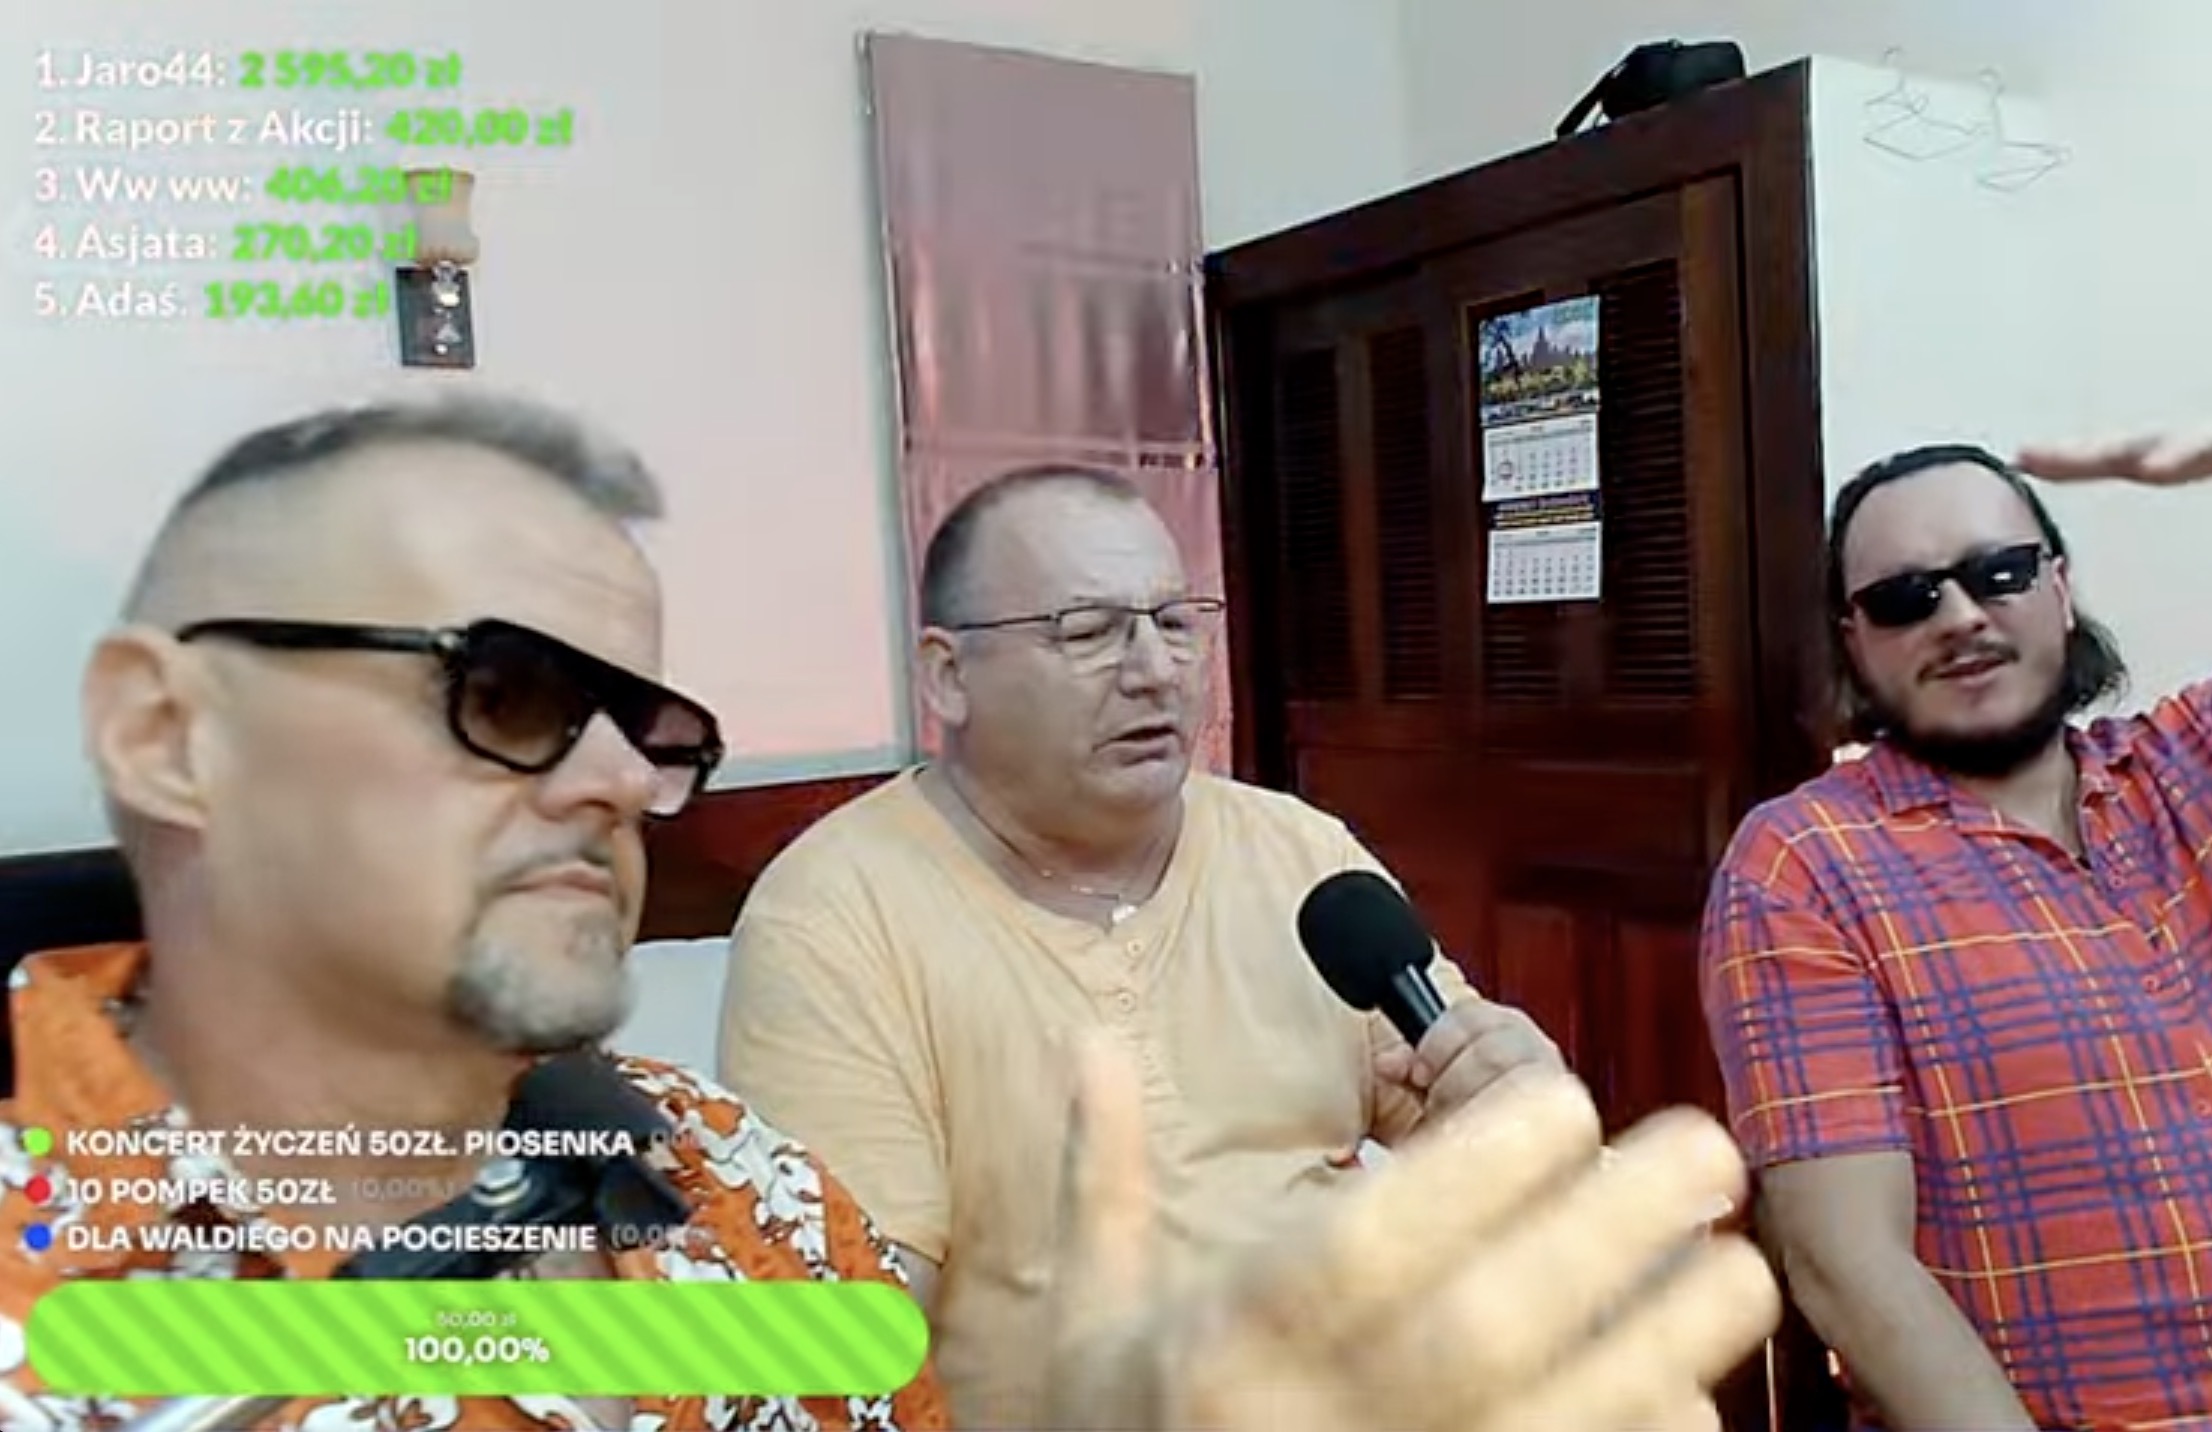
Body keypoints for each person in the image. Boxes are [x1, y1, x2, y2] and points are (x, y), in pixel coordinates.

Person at [0, 397, 1782, 1432]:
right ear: (169, 734)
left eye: (645, 724)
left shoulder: (698, 1171)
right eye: (510, 691)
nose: (617, 779)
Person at [1697, 392, 2212, 1432]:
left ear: (2058, 589)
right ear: (1856, 643)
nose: (1959, 615)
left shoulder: (2205, 759)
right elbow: (1847, 1264)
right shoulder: (1804, 866)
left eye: (1998, 572)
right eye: (1906, 598)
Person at [716, 465, 1573, 1429]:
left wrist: (1518, 1128)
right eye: (1088, 632)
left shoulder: (1301, 855)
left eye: (1175, 623)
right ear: (947, 675)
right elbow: (844, 1339)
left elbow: (1481, 1144)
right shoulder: (835, 916)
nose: (1155, 670)